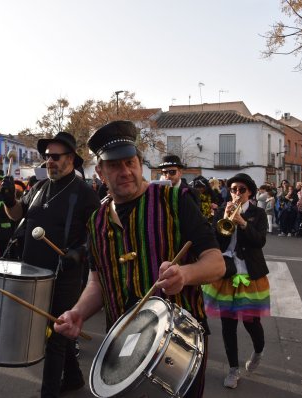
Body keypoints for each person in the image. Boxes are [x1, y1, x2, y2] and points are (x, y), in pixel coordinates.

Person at [52, 121, 225, 398]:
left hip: (178, 344)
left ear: (140, 163)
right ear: (100, 172)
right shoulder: (96, 221)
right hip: (123, 345)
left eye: (130, 162)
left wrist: (185, 275)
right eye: (114, 166)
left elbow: (217, 263)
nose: (125, 172)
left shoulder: (175, 200)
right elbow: (97, 282)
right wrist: (77, 313)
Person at [3, 131, 100, 397]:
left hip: (64, 275)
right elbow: (17, 216)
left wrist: (79, 253)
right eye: (46, 157)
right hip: (33, 273)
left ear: (71, 159)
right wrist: (10, 201)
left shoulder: (83, 193)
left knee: (55, 338)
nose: (49, 162)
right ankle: (74, 378)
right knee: (60, 331)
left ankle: (49, 392)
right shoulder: (38, 188)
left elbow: (97, 234)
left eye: (55, 157)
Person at [203, 173, 270, 389]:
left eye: (242, 189)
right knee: (227, 324)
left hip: (250, 273)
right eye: (233, 189)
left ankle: (258, 351)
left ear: (250, 191)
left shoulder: (258, 213)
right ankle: (233, 369)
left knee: (252, 323)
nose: (237, 193)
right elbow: (217, 242)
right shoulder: (223, 209)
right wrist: (224, 218)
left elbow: (259, 241)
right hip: (227, 273)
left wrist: (242, 223)